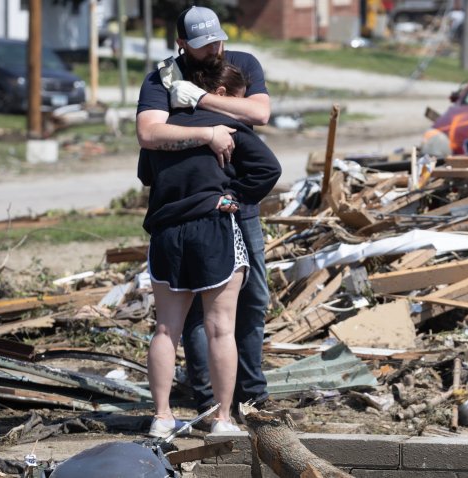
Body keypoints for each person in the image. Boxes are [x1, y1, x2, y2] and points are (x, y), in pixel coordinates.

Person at [136, 5, 274, 434]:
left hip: (228, 210)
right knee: (208, 321)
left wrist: (200, 101)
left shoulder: (242, 64)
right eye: (202, 45)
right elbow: (147, 134)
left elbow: (261, 113)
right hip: (209, 215)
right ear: (181, 45)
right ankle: (214, 405)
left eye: (216, 40)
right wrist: (208, 133)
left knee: (250, 303)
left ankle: (247, 395)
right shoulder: (162, 77)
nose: (213, 49)